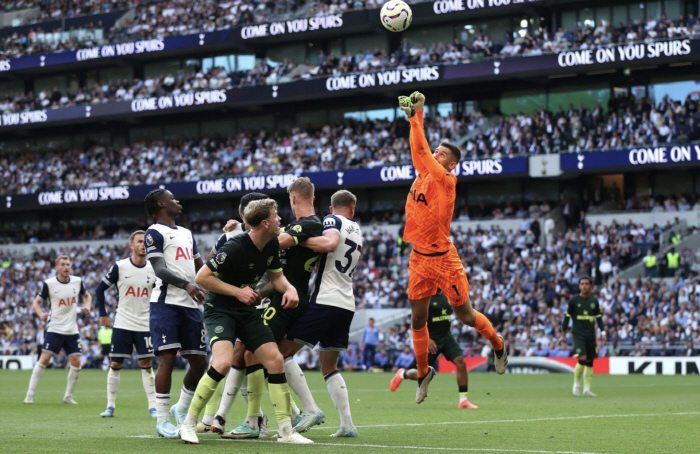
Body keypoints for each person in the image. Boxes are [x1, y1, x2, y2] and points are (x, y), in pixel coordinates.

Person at [398, 91, 507, 404]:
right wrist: (414, 119)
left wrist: (417, 114)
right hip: (419, 257)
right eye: (436, 152)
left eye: (441, 154)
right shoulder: (424, 173)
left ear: (452, 164)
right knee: (417, 320)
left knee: (466, 316)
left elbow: (420, 148)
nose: (435, 155)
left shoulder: (446, 180)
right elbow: (417, 148)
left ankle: (498, 343)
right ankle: (423, 374)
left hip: (444, 259)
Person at [177, 198, 312, 445]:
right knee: (224, 362)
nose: (280, 219)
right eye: (276, 215)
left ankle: (286, 431)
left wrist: (289, 289)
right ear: (264, 222)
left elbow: (277, 278)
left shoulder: (271, 244)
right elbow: (202, 277)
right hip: (220, 309)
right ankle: (188, 423)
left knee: (275, 360)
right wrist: (238, 292)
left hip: (246, 310)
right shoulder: (234, 247)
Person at [228, 177, 325, 438]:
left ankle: (257, 421)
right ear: (311, 197)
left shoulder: (310, 224)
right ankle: (291, 414)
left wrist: (240, 235)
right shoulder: (299, 226)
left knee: (253, 354)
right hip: (279, 295)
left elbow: (274, 243)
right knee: (267, 354)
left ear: (293, 198)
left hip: (289, 299)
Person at [280, 189, 363, 437]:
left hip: (325, 299)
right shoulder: (357, 230)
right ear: (353, 208)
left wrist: (297, 238)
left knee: (281, 354)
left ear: (330, 209)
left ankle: (310, 410)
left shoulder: (332, 220)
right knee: (329, 366)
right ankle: (347, 425)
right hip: (346, 302)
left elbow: (329, 244)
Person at [143, 189, 208, 439]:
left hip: (191, 305)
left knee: (200, 362)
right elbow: (159, 268)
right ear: (161, 203)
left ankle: (181, 408)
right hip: (166, 302)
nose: (178, 201)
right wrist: (187, 285)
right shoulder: (154, 232)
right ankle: (161, 420)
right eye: (172, 198)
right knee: (167, 359)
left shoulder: (187, 233)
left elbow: (200, 267)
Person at [95, 230, 157, 418]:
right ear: (132, 246)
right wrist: (103, 314)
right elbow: (100, 289)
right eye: (139, 242)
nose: (143, 245)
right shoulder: (120, 267)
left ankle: (153, 407)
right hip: (122, 323)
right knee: (115, 363)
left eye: (145, 242)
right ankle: (110, 406)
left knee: (146, 364)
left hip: (145, 324)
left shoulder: (154, 269)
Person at [390, 291, 478, 409]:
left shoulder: (447, 294)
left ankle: (463, 400)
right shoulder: (425, 296)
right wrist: (428, 339)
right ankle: (402, 374)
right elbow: (416, 320)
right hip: (430, 339)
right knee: (422, 374)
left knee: (461, 362)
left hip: (447, 337)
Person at [24, 255, 92, 404]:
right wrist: (41, 314)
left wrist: (88, 306)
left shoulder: (77, 281)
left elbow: (87, 296)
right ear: (57, 267)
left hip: (72, 329)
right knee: (45, 359)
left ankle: (68, 396)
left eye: (68, 264)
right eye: (63, 264)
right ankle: (30, 394)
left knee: (76, 361)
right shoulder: (49, 284)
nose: (66, 267)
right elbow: (36, 303)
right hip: (55, 328)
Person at [557, 276, 606, 397]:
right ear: (579, 286)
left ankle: (587, 390)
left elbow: (599, 318)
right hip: (578, 334)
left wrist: (603, 332)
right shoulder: (574, 301)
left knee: (590, 361)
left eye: (587, 284)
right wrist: (562, 335)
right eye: (582, 284)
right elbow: (567, 318)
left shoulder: (594, 301)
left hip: (590, 335)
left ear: (590, 286)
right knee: (582, 359)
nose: (584, 286)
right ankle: (576, 385)